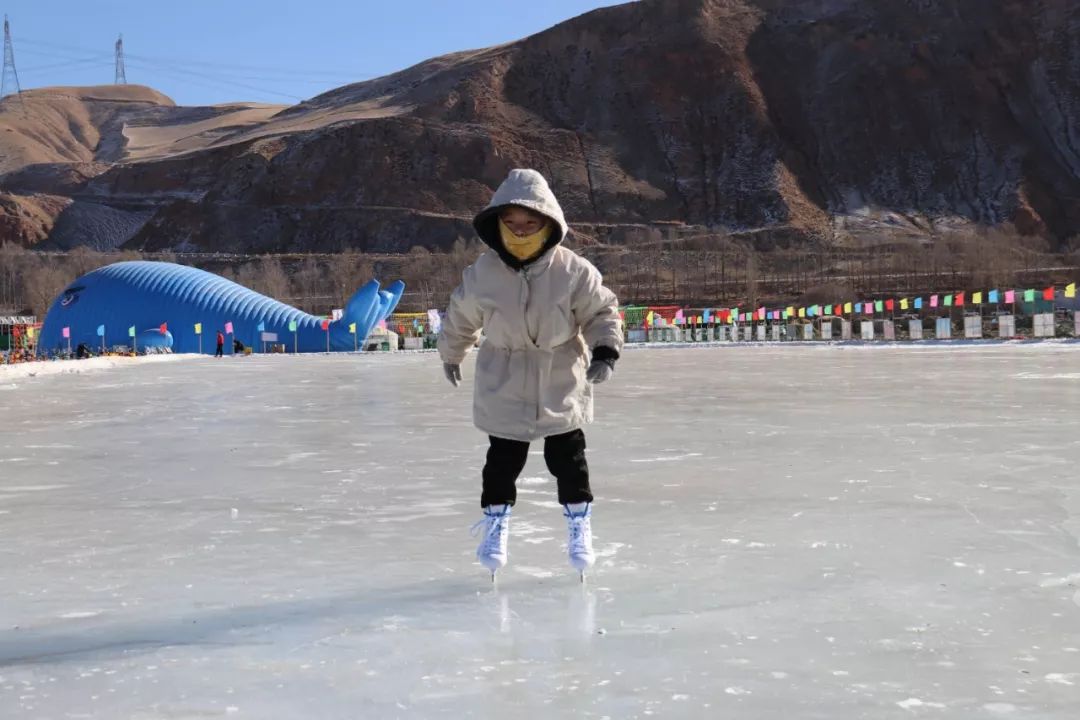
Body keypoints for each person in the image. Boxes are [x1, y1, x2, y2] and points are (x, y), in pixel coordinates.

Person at [438, 169, 623, 578]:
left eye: (530, 223)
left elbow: (601, 311)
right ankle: (496, 526)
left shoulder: (573, 270)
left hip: (560, 377)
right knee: (501, 462)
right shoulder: (482, 273)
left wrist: (606, 349)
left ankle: (579, 524)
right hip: (502, 378)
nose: (520, 231)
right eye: (512, 223)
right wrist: (451, 354)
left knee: (569, 459)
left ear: (547, 223)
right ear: (498, 223)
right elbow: (460, 317)